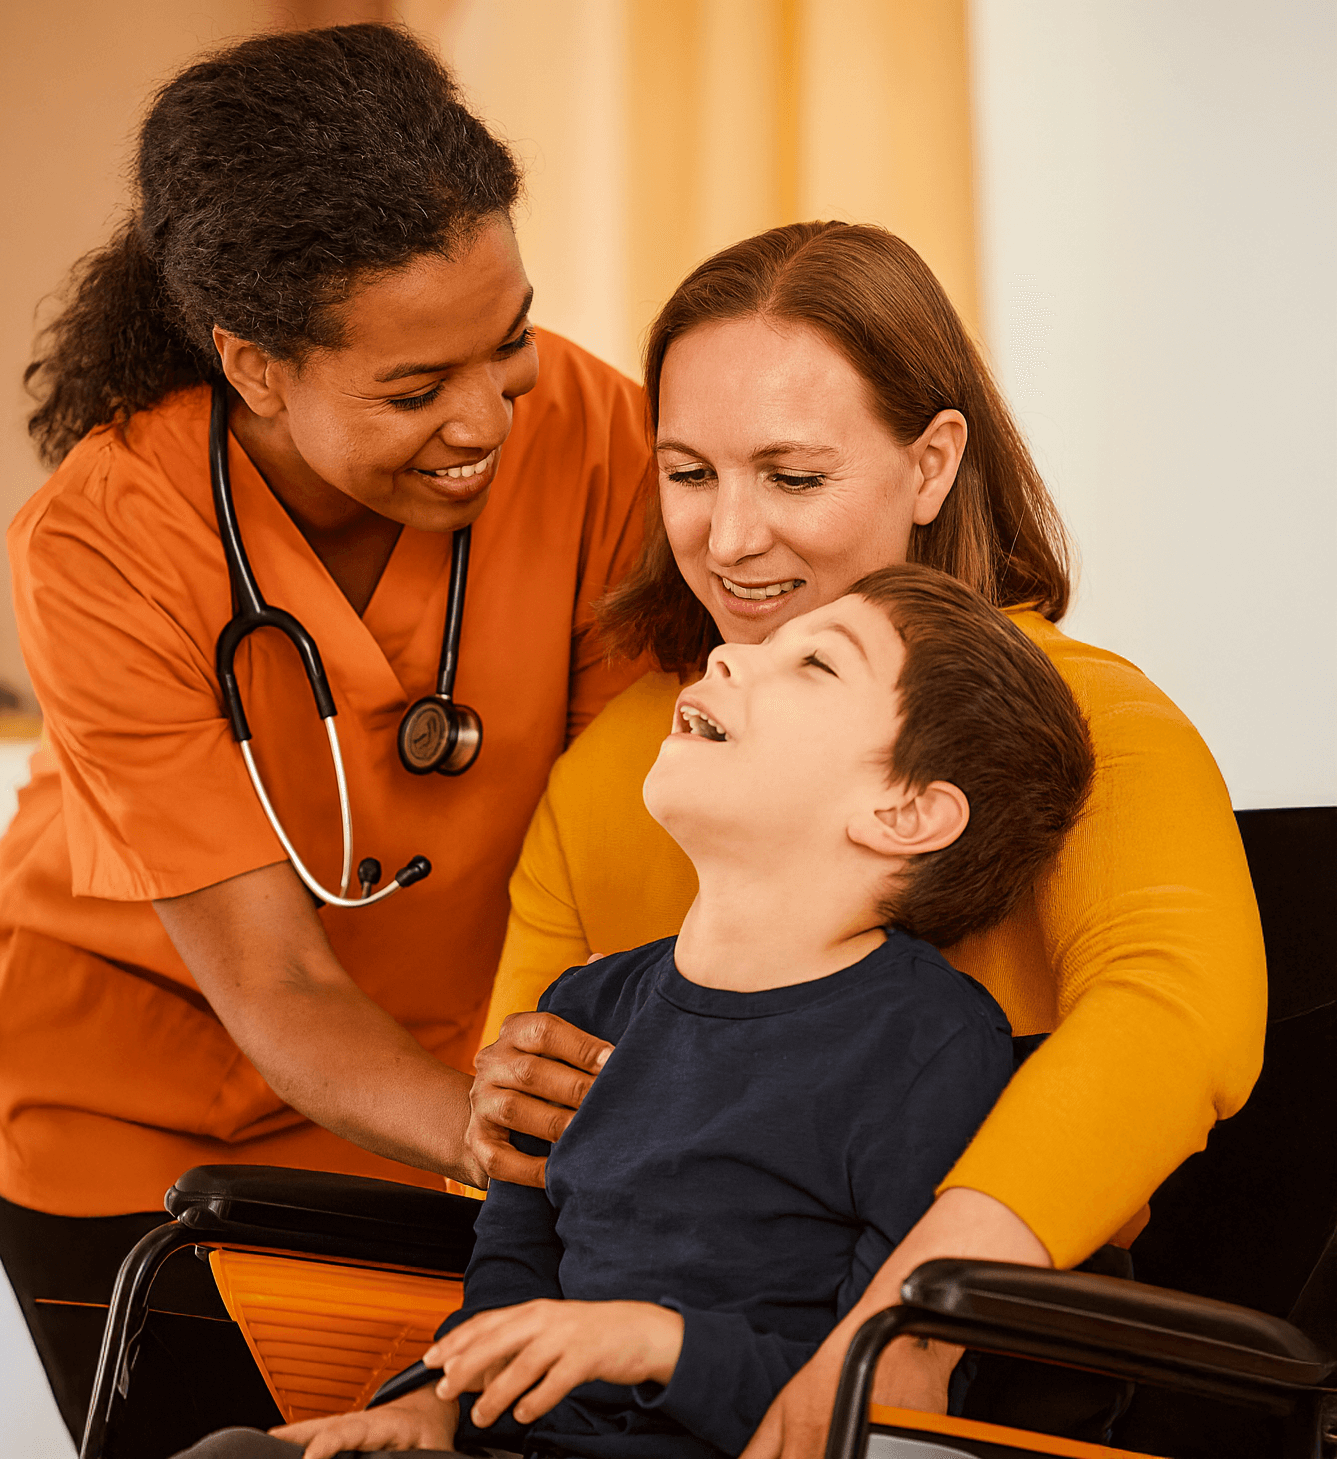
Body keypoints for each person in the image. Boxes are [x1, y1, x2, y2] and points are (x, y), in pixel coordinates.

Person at [0, 23, 653, 1448]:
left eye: (504, 341)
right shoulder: (104, 537)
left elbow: (619, 852)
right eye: (409, 390)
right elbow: (271, 979)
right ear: (254, 365)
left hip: (455, 1088)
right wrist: (498, 1139)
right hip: (123, 1116)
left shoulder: (591, 435)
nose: (484, 419)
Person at [461, 222, 1266, 1455]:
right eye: (687, 474)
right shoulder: (634, 753)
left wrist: (904, 1331)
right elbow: (528, 1166)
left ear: (931, 462)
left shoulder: (1098, 724)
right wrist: (504, 1099)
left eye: (792, 478)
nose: (727, 542)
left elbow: (1173, 1020)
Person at [174, 563, 1096, 1459]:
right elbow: (511, 1267)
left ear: (904, 815)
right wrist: (430, 1404)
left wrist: (659, 1344)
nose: (730, 657)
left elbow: (891, 1403)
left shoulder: (926, 1041)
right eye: (760, 645)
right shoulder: (586, 1005)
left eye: (813, 664)